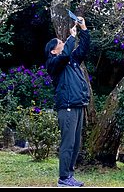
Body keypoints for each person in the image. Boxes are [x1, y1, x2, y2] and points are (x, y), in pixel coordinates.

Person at [45, 15, 90, 187]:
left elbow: (83, 49)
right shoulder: (54, 63)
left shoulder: (71, 60)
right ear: (53, 51)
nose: (64, 46)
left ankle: (69, 176)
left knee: (76, 144)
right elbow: (64, 56)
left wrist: (83, 29)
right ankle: (63, 178)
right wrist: (72, 37)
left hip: (78, 105)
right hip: (67, 107)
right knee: (68, 144)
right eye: (61, 45)